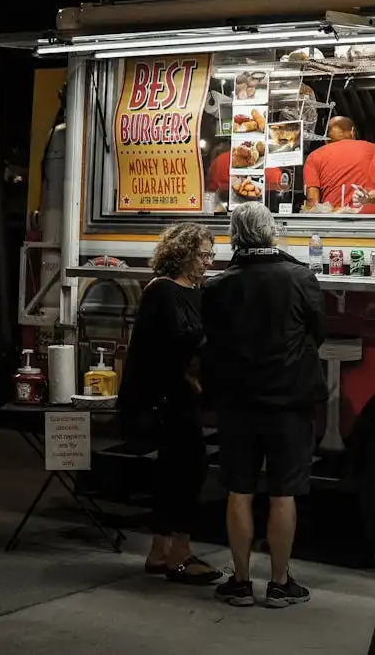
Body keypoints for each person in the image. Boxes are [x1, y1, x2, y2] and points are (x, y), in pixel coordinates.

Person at [201, 202, 326, 609]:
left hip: (237, 402)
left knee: (239, 489)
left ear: (234, 235)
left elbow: (212, 342)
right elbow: (317, 333)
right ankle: (279, 583)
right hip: (289, 401)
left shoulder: (217, 286)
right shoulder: (301, 278)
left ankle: (239, 582)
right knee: (283, 492)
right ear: (271, 231)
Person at [118, 222, 222, 585]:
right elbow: (165, 345)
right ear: (182, 253)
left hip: (183, 396)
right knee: (189, 471)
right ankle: (180, 552)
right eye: (203, 254)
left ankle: (160, 550)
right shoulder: (162, 291)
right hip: (167, 397)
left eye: (211, 254)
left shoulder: (198, 290)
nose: (208, 261)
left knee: (171, 473)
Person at [302, 116, 375, 211]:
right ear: (352, 131)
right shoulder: (374, 149)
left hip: (334, 220)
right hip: (372, 219)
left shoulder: (314, 156)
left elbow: (312, 204)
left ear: (326, 138)